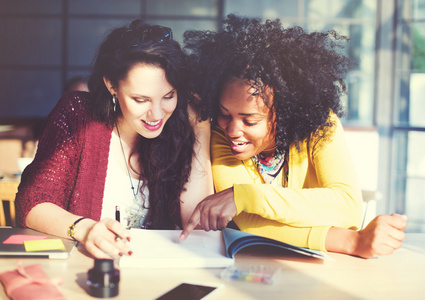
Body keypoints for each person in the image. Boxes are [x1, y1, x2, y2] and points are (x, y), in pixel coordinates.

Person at [180, 15, 407, 259]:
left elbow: (348, 207)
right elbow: (250, 223)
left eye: (250, 120)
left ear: (286, 112)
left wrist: (245, 195)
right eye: (224, 114)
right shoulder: (220, 135)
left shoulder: (322, 125)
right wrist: (352, 242)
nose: (232, 130)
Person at [15, 19, 213, 259]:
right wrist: (86, 229)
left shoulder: (180, 126)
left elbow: (199, 226)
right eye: (141, 100)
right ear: (111, 84)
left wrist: (200, 130)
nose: (157, 114)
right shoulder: (77, 115)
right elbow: (32, 202)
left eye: (168, 96)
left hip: (159, 278)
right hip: (92, 273)